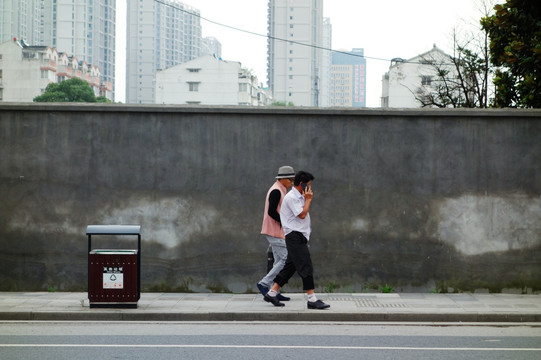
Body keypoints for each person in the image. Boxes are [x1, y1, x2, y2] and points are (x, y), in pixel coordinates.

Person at [263, 170, 330, 310]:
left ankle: (271, 292)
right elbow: (302, 215)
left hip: (298, 236)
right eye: (309, 185)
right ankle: (312, 299)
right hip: (295, 236)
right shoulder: (292, 197)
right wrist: (309, 199)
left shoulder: (298, 197)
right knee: (306, 266)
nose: (310, 188)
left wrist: (306, 199)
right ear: (302, 184)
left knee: (290, 267)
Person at [256, 166, 296, 302]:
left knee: (279, 261)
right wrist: (284, 222)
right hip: (274, 231)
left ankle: (273, 291)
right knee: (286, 259)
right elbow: (271, 211)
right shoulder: (276, 191)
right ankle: (264, 283)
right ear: (283, 179)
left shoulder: (280, 189)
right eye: (290, 180)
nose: (292, 182)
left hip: (277, 231)